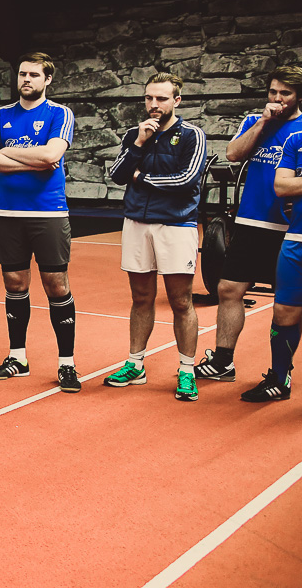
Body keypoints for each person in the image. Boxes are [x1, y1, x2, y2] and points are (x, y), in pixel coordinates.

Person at [196, 66, 302, 383]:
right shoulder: (254, 121)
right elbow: (233, 153)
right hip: (251, 221)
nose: (277, 99)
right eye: (273, 91)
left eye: (285, 93)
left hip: (292, 227)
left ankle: (281, 371)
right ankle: (223, 362)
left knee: (288, 304)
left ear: (300, 96)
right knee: (229, 288)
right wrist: (263, 121)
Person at [0, 53, 81, 392]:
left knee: (56, 284)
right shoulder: (0, 115)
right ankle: (18, 358)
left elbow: (52, 155)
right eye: (22, 74)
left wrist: (6, 154)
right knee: (15, 283)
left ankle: (67, 363)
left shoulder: (59, 114)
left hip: (48, 213)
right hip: (9, 214)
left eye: (34, 75)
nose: (26, 80)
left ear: (47, 79)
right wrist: (31, 162)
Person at [107, 73, 209, 401]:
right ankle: (136, 364)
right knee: (140, 298)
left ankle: (186, 370)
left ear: (176, 101)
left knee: (181, 301)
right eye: (149, 98)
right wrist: (137, 144)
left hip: (176, 225)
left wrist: (141, 176)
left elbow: (186, 181)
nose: (154, 105)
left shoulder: (192, 135)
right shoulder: (135, 134)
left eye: (161, 99)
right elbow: (116, 175)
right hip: (137, 223)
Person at [239, 81, 302, 414]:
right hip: (296, 243)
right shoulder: (296, 139)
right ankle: (279, 378)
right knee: (283, 314)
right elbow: (281, 186)